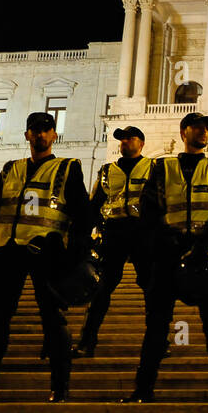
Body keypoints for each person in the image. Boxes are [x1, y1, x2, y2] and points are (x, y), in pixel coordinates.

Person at [0, 112, 90, 403]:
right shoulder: (10, 169)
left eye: (46, 129)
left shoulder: (68, 168)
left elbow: (82, 215)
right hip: (8, 251)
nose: (41, 135)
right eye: (35, 130)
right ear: (27, 135)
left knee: (53, 321)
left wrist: (72, 256)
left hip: (48, 252)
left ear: (54, 135)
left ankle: (60, 388)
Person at [125, 112, 208, 403]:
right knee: (157, 325)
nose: (203, 132)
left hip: (205, 256)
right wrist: (165, 240)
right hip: (168, 255)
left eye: (206, 129)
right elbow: (149, 210)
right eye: (197, 127)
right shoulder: (163, 167)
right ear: (183, 132)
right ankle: (143, 389)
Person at [72, 125, 151, 359]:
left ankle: (160, 339)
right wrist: (86, 235)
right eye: (122, 139)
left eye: (130, 138)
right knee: (101, 290)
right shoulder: (107, 171)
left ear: (141, 143)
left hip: (142, 234)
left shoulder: (153, 168)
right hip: (114, 233)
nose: (124, 142)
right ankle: (87, 341)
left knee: (152, 290)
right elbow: (95, 203)